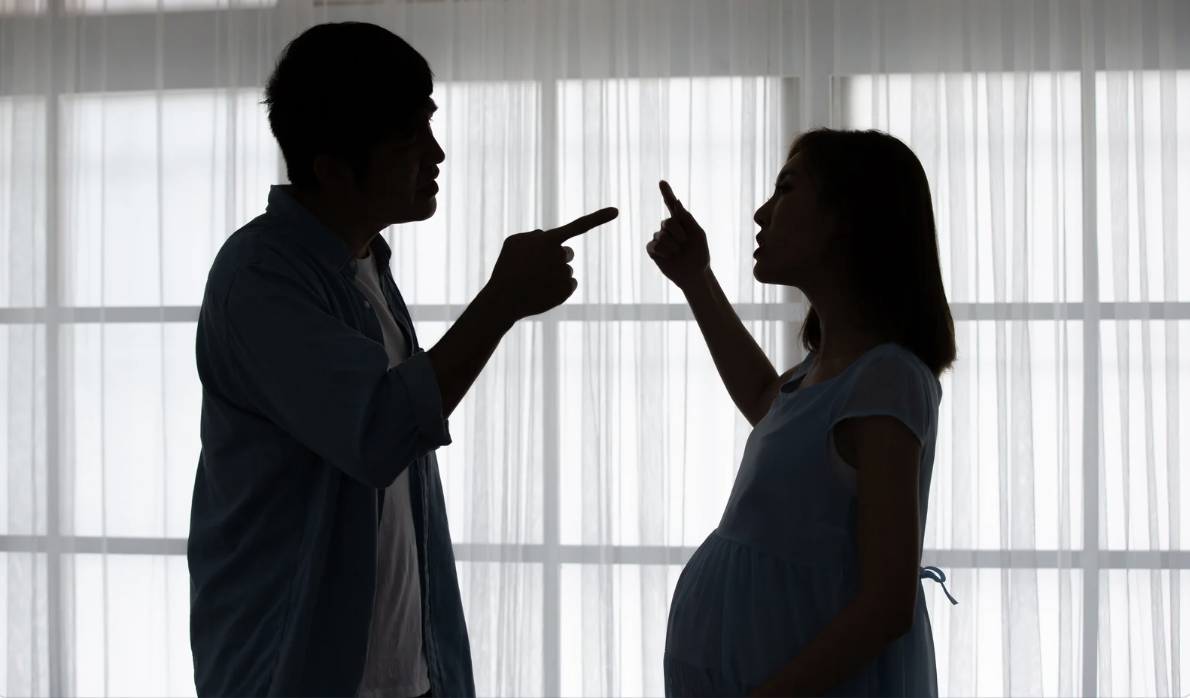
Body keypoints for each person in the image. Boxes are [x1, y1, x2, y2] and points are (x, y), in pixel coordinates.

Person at [187, 22, 616, 698]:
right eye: (409, 141)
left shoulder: (364, 262)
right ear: (331, 167)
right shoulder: (261, 275)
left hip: (404, 673)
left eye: (430, 128)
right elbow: (380, 430)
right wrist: (501, 301)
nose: (437, 154)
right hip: (292, 670)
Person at [649, 128, 957, 697]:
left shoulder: (887, 379)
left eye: (785, 189)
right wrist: (696, 278)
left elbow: (888, 605)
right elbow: (767, 398)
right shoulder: (819, 373)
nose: (762, 213)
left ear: (850, 216)